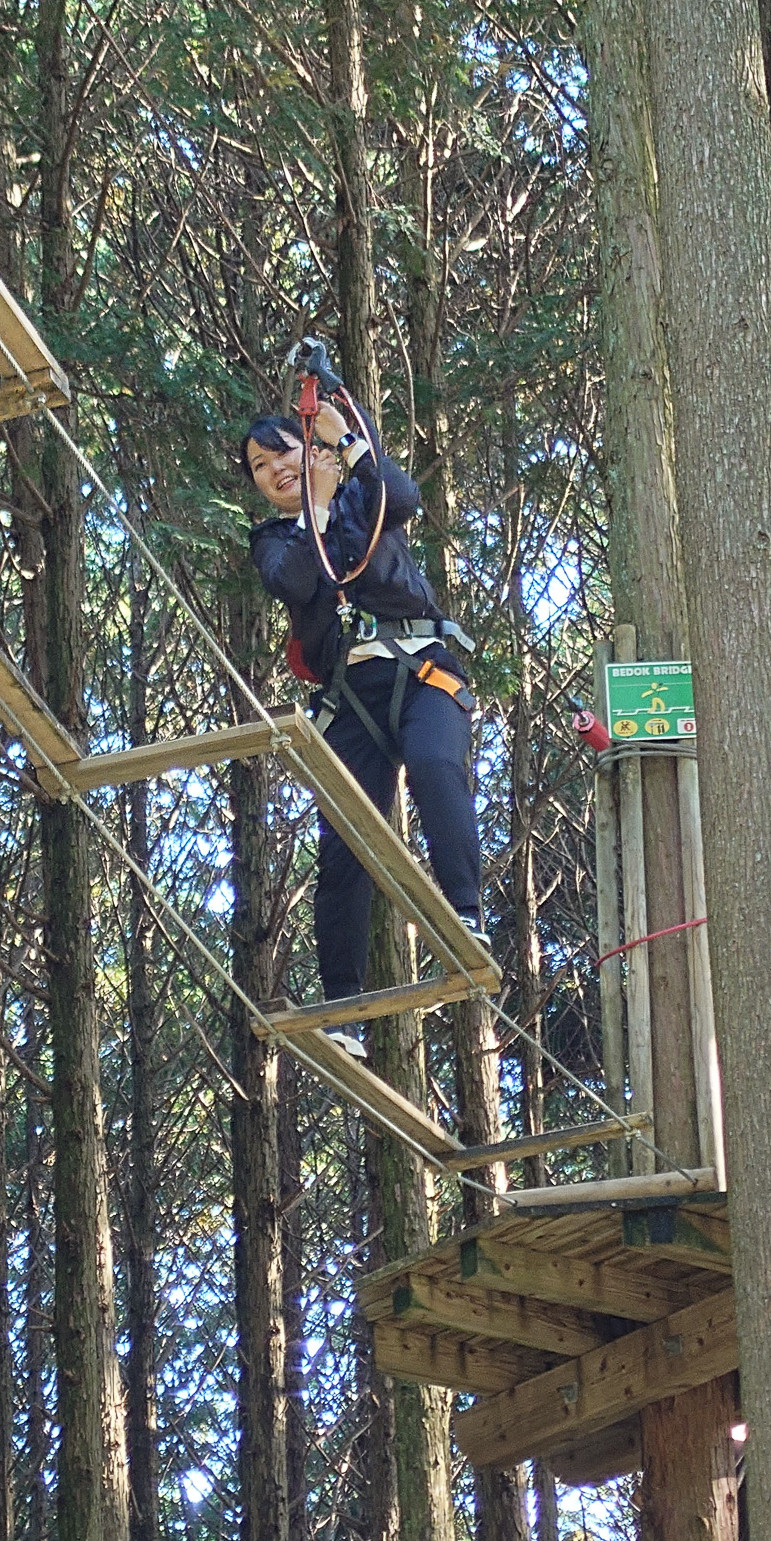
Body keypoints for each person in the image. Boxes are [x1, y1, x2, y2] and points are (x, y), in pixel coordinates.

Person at [242, 395, 485, 1059]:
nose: (273, 470)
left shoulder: (364, 501)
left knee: (437, 765)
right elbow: (294, 581)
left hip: (420, 671)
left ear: (308, 448)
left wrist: (345, 441)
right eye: (259, 467)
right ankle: (344, 1005)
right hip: (351, 697)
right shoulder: (273, 539)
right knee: (345, 848)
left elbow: (400, 495)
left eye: (281, 452)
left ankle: (465, 912)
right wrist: (314, 505)